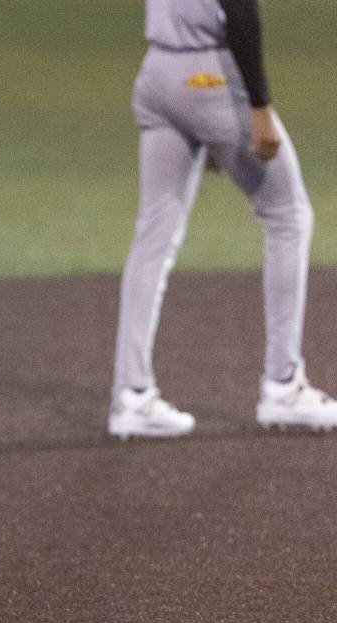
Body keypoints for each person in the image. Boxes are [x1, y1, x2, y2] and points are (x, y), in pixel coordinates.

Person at [109, 0, 337, 438]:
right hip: (209, 75)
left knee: (155, 232)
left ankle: (131, 395)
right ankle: (283, 386)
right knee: (288, 215)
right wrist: (259, 108)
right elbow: (241, 11)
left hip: (156, 75)